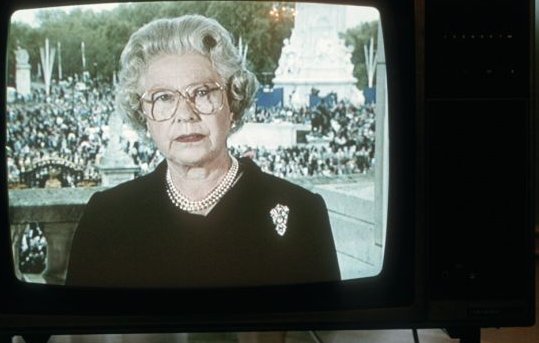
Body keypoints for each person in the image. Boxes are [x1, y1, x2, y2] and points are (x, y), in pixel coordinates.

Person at [66, 15, 341, 288]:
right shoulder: (105, 217)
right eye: (164, 97)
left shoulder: (302, 211)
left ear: (233, 103)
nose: (186, 114)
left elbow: (322, 331)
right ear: (143, 115)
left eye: (202, 92)